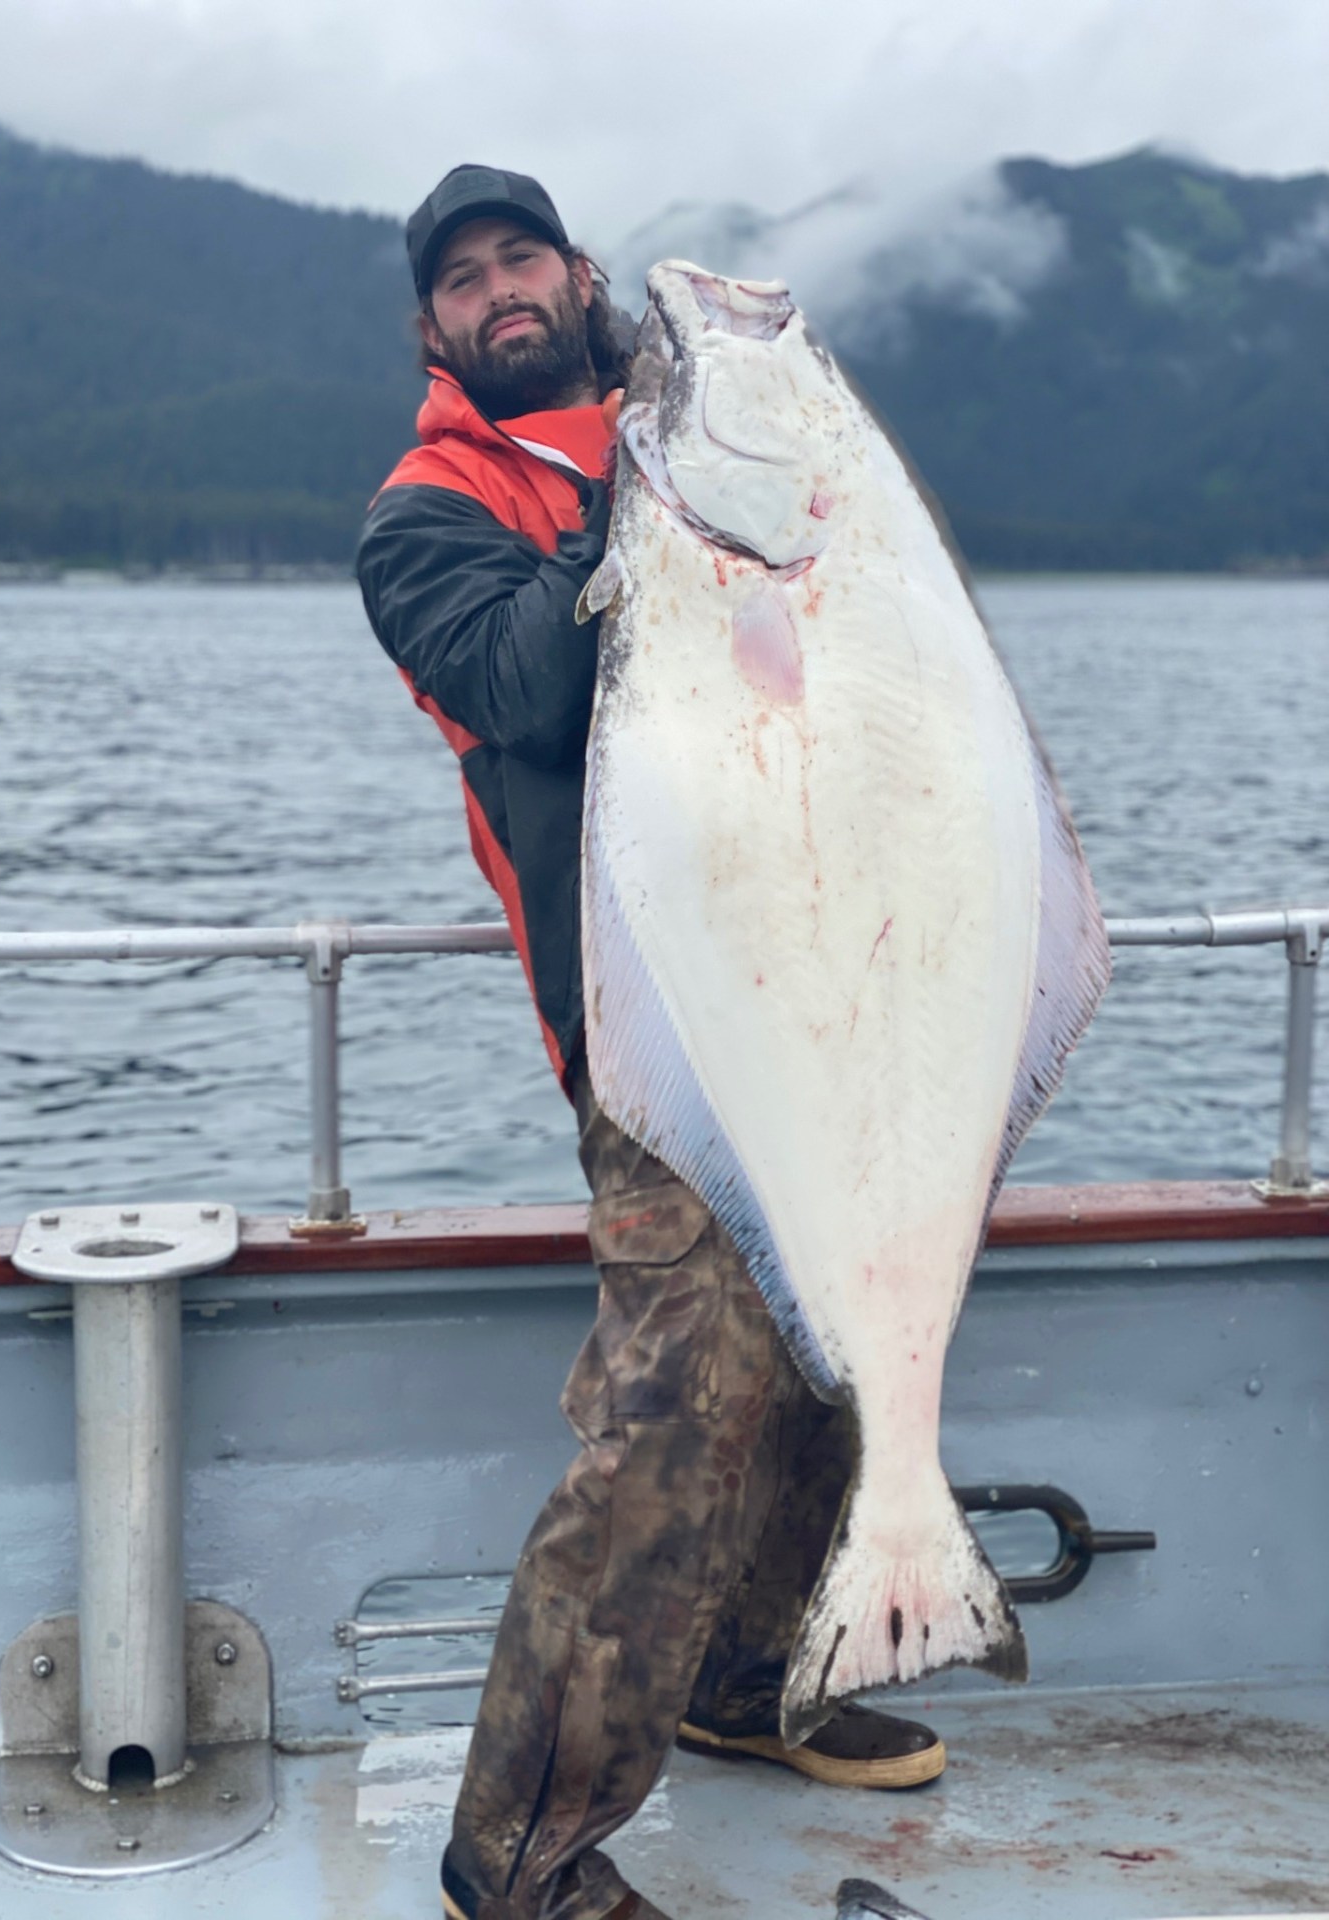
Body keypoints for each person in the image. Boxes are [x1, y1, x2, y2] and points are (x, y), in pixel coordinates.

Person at [356, 163, 945, 1920]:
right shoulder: (426, 515)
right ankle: (519, 1850)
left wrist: (710, 444)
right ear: (433, 329)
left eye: (519, 254)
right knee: (679, 1411)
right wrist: (659, 494)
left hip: (841, 984)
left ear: (576, 269)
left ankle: (749, 1676)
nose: (496, 288)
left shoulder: (706, 423)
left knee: (847, 1347)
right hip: (661, 1023)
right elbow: (519, 690)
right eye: (460, 278)